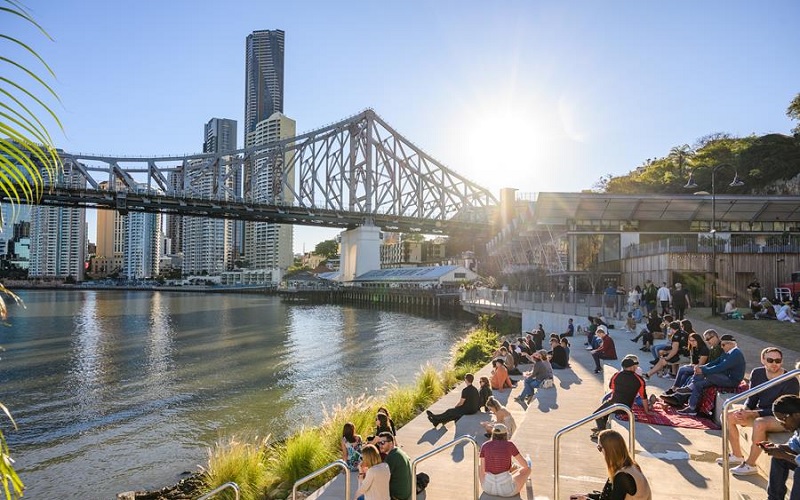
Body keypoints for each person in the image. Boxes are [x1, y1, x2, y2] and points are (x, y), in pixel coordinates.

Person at [718, 348, 800, 476]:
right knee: (728, 415)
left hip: (783, 418)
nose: (774, 363)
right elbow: (752, 398)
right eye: (770, 360)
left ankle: (750, 465)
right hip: (761, 412)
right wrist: (744, 410)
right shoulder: (757, 373)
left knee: (759, 423)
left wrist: (753, 413)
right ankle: (737, 455)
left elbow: (787, 411)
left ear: (782, 361)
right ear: (763, 360)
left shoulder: (790, 380)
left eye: (778, 360)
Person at [570, 429, 652, 500]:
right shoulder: (630, 466)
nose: (600, 452)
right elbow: (609, 495)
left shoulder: (623, 477)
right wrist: (587, 496)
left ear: (608, 451)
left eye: (599, 448)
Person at [677, 334, 747, 416]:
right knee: (699, 384)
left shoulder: (736, 354)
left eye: (723, 344)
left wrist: (702, 370)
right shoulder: (727, 352)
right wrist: (702, 367)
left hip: (731, 380)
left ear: (731, 344)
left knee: (705, 373)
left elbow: (720, 367)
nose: (721, 347)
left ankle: (690, 388)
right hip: (722, 377)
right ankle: (692, 408)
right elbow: (715, 362)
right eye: (721, 344)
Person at [591, 357, 651, 440]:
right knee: (604, 412)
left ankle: (601, 433)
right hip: (626, 408)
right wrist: (646, 411)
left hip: (614, 404)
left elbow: (611, 387)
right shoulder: (640, 380)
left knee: (596, 414)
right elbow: (644, 397)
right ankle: (601, 429)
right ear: (632, 367)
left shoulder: (617, 375)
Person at [478, 423, 531, 497]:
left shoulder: (485, 445)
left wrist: (484, 482)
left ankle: (486, 483)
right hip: (506, 489)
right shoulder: (509, 445)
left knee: (480, 465)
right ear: (506, 434)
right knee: (528, 468)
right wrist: (528, 461)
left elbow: (482, 470)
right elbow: (524, 465)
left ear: (493, 433)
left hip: (488, 488)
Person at [377, 432, 412, 500]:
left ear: (391, 443)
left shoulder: (392, 457)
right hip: (406, 493)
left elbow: (380, 479)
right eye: (379, 443)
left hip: (398, 496)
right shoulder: (398, 451)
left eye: (383, 442)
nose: (380, 445)